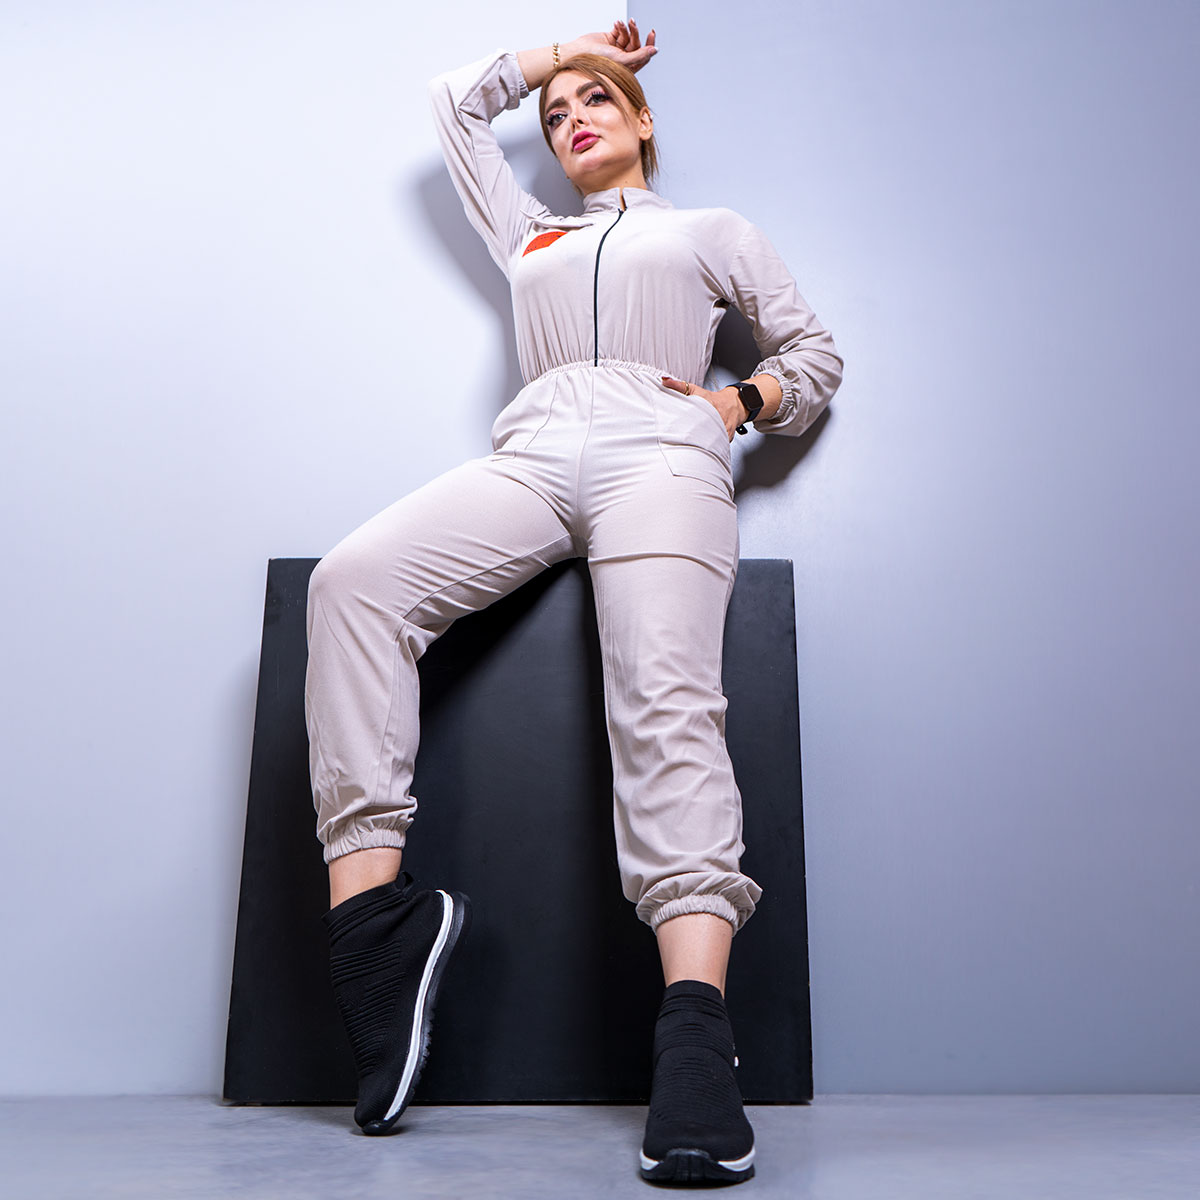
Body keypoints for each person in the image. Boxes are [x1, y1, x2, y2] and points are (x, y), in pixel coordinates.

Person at [305, 18, 843, 1186]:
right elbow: (454, 102)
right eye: (555, 116)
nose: (570, 120)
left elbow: (814, 357)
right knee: (352, 584)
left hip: (662, 453)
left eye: (596, 101)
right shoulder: (528, 231)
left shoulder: (710, 230)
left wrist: (735, 403)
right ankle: (374, 938)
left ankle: (694, 1037)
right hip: (536, 453)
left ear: (643, 120)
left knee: (664, 700)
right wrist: (564, 54)